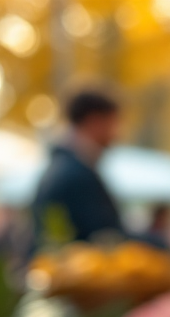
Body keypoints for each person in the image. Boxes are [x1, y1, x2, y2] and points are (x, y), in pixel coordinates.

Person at [31, 90, 125, 247]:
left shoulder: (61, 166)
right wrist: (160, 242)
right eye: (113, 123)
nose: (116, 134)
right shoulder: (76, 175)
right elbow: (107, 237)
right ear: (94, 120)